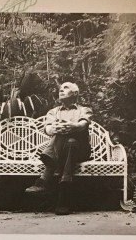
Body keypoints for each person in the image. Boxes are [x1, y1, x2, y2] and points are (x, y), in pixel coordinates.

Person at [25, 82, 93, 215]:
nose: (61, 90)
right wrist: (55, 129)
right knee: (70, 141)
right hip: (64, 151)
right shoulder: (53, 111)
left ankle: (44, 179)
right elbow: (48, 129)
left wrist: (71, 126)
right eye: (60, 88)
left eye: (66, 88)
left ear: (75, 93)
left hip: (81, 151)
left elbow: (82, 125)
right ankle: (64, 200)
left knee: (70, 139)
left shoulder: (84, 110)